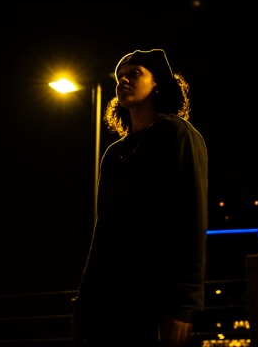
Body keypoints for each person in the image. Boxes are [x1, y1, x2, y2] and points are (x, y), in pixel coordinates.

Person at [72, 49, 208, 347]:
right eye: (119, 77)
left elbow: (191, 219)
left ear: (158, 83)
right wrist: (83, 307)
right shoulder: (114, 154)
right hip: (109, 305)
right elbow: (102, 233)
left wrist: (183, 305)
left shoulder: (176, 133)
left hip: (155, 299)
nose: (123, 81)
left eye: (134, 74)